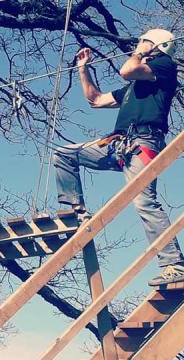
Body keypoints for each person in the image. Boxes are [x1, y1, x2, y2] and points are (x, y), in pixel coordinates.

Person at [53, 29, 184, 286]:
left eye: (143, 41)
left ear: (156, 46)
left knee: (144, 202)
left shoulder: (164, 67)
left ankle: (174, 263)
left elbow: (127, 69)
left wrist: (141, 52)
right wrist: (83, 68)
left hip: (144, 142)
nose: (137, 45)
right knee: (65, 154)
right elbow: (96, 100)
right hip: (117, 145)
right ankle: (77, 210)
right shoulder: (134, 87)